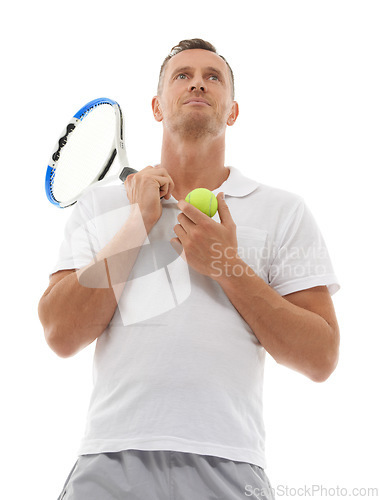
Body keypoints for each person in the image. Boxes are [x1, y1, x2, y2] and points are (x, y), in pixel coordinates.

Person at [38, 39, 340, 500]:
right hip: (110, 460)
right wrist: (137, 222)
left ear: (233, 111)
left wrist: (225, 265)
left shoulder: (284, 211)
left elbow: (320, 358)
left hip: (231, 464)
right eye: (182, 75)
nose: (198, 81)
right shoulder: (101, 205)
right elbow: (60, 332)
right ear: (157, 106)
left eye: (212, 76)